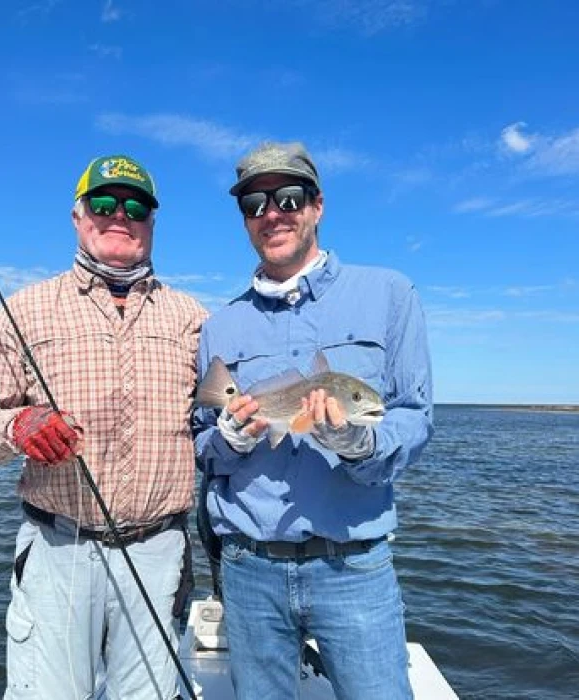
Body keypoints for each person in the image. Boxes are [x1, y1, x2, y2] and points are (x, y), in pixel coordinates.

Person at [0, 154, 207, 700]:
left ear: (152, 224)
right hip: (57, 546)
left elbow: (217, 425)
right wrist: (17, 426)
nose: (120, 215)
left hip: (158, 551)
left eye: (136, 206)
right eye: (104, 203)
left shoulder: (192, 318)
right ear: (77, 216)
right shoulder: (25, 309)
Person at [194, 141, 433, 700]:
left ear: (317, 205)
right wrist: (228, 439)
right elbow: (200, 443)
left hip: (355, 568)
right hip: (249, 570)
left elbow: (413, 419)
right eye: (254, 203)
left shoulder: (391, 295)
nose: (271, 213)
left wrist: (359, 443)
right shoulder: (220, 327)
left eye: (288, 197)